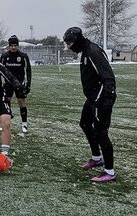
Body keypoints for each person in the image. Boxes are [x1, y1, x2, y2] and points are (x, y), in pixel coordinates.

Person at [63, 27, 117, 183]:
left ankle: (110, 171)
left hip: (102, 99)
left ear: (78, 40)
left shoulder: (93, 51)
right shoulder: (85, 51)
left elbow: (108, 77)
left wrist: (107, 100)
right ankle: (96, 158)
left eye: (70, 43)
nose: (69, 47)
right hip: (93, 98)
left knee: (101, 133)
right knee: (85, 123)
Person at [0, 35, 32, 133]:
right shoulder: (4, 56)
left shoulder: (23, 56)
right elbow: (0, 70)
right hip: (8, 84)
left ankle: (24, 124)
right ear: (9, 46)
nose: (13, 47)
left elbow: (28, 71)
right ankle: (6, 124)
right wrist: (1, 84)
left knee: (21, 102)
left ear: (17, 46)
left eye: (15, 45)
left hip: (20, 84)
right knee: (6, 103)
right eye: (11, 45)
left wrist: (28, 85)